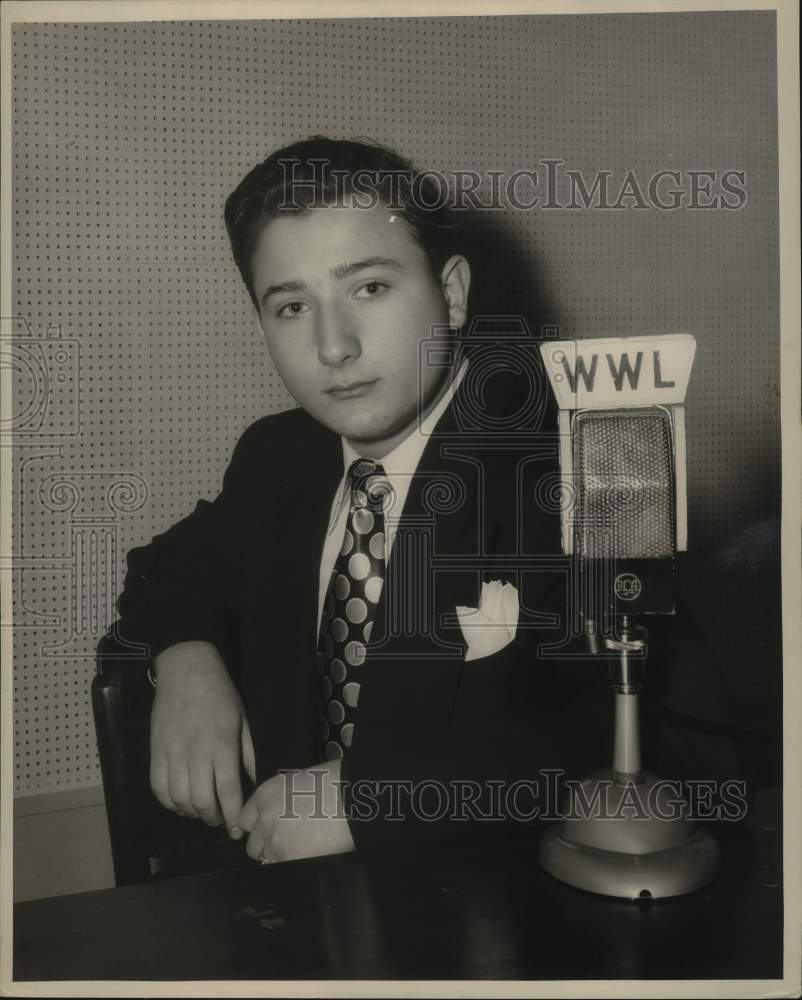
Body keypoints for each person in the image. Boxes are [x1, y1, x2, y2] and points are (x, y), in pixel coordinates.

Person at [117, 136, 752, 866]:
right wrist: (186, 662)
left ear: (450, 293)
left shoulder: (586, 466)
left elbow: (689, 753)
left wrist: (380, 797)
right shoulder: (277, 456)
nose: (333, 347)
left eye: (370, 289)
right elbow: (169, 568)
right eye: (292, 306)